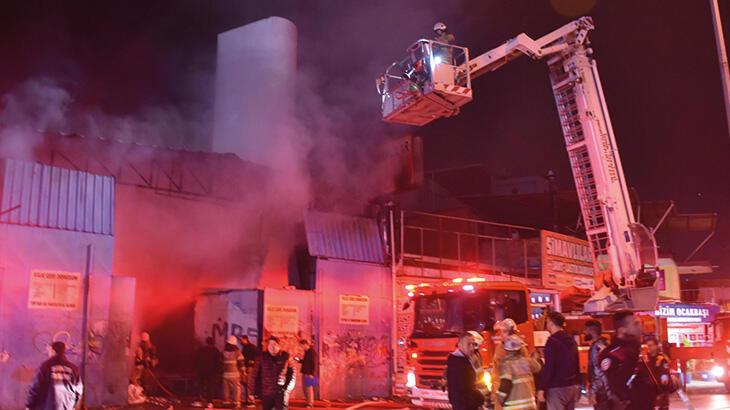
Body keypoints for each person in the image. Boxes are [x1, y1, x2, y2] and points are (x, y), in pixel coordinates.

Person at [598, 311, 655, 410]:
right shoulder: (612, 354)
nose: (640, 327)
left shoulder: (637, 350)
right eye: (635, 324)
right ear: (622, 331)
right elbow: (616, 385)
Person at [537, 311, 580, 410]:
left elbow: (549, 367)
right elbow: (576, 363)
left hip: (557, 388)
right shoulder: (571, 340)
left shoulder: (552, 342)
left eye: (547, 322)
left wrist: (542, 388)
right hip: (571, 386)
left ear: (551, 322)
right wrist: (578, 383)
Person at [26, 341, 83, 410]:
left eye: (49, 350)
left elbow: (35, 387)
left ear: (53, 351)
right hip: (67, 406)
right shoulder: (73, 368)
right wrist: (74, 405)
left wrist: (29, 405)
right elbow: (79, 389)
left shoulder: (45, 366)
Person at [248, 336, 295, 410]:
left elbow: (292, 375)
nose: (272, 347)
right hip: (266, 393)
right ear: (267, 346)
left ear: (279, 346)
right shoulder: (261, 357)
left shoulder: (286, 357)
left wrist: (286, 389)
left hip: (280, 393)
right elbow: (254, 375)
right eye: (270, 344)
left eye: (275, 344)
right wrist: (251, 392)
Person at [496, 335, 542, 410]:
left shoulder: (506, 365)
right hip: (530, 406)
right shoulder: (527, 361)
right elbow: (538, 368)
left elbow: (505, 386)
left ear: (506, 350)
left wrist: (499, 399)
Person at [446, 332, 486, 410]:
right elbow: (467, 389)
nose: (472, 348)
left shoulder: (462, 360)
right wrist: (480, 399)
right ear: (460, 345)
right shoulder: (460, 364)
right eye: (468, 344)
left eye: (473, 344)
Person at [584, 319, 606, 409]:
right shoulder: (606, 344)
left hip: (601, 391)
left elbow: (596, 371)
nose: (584, 332)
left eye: (586, 330)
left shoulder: (596, 347)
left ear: (591, 331)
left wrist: (593, 391)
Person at [194, 337, 223, 403]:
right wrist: (218, 370)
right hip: (211, 371)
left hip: (201, 370)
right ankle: (209, 401)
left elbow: (196, 359)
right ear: (213, 342)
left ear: (206, 342)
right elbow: (218, 361)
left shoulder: (200, 349)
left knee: (200, 385)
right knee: (210, 386)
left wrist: (196, 369)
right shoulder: (215, 350)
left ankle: (199, 399)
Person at [645, 337, 671, 410]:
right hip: (648, 393)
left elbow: (664, 373)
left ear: (656, 346)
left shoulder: (661, 358)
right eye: (647, 345)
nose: (649, 347)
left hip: (660, 391)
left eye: (651, 345)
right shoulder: (645, 359)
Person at [223, 335, 245, 407]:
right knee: (236, 388)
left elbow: (221, 362)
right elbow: (241, 362)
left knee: (226, 388)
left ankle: (226, 401)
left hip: (225, 374)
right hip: (235, 374)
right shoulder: (237, 351)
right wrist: (243, 371)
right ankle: (236, 402)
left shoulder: (223, 351)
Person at [240, 335, 259, 407]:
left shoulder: (250, 347)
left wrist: (253, 361)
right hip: (248, 367)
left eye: (242, 340)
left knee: (249, 384)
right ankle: (247, 400)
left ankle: (250, 401)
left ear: (246, 339)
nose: (241, 341)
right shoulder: (247, 347)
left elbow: (257, 356)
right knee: (246, 383)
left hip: (250, 367)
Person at [297, 339, 317, 408]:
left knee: (309, 389)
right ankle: (308, 402)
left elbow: (314, 363)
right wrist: (297, 359)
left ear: (305, 344)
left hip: (309, 373)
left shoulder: (311, 352)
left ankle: (310, 403)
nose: (301, 347)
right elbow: (304, 362)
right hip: (305, 372)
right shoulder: (306, 352)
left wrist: (312, 374)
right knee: (305, 388)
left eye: (301, 346)